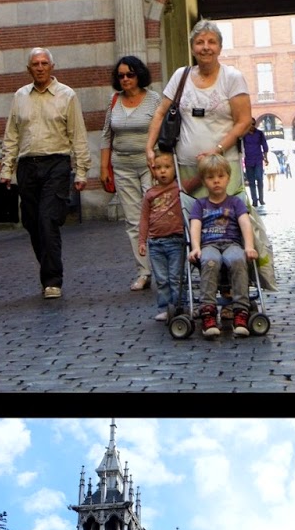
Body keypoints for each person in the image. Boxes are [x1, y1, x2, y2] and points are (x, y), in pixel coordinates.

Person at [0, 47, 89, 299]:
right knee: (31, 222)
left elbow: (78, 136)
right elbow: (12, 135)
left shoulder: (67, 95)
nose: (40, 67)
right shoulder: (19, 96)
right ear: (29, 69)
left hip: (57, 164)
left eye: (44, 63)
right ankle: (48, 266)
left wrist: (81, 172)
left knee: (48, 220)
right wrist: (6, 169)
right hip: (27, 167)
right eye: (35, 64)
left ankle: (52, 279)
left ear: (52, 67)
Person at [144, 19, 254, 200]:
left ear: (220, 47)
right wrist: (149, 147)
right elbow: (160, 113)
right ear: (192, 47)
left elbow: (244, 121)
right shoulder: (181, 76)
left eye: (212, 42)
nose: (206, 47)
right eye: (199, 42)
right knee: (191, 221)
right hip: (186, 167)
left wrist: (217, 150)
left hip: (222, 169)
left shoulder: (232, 77)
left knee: (224, 223)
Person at [99, 54, 159, 290]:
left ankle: (163, 267)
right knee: (134, 221)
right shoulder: (114, 100)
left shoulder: (154, 100)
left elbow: (162, 132)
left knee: (155, 217)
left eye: (130, 74)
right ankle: (144, 271)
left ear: (139, 75)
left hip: (149, 166)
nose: (125, 79)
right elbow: (106, 134)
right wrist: (104, 167)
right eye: (121, 75)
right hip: (122, 166)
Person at [188, 155, 258, 339]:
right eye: (211, 178)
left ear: (228, 177)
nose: (216, 181)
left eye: (220, 176)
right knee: (210, 261)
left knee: (237, 260)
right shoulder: (200, 204)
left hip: (231, 243)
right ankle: (208, 311)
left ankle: (241, 311)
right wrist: (195, 247)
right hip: (208, 244)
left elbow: (245, 224)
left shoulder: (235, 202)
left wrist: (249, 246)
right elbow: (195, 225)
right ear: (204, 181)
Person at [137, 150, 187, 323]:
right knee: (162, 278)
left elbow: (197, 181)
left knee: (176, 277)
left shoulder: (179, 188)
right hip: (156, 243)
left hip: (176, 240)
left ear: (175, 168)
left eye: (167, 167)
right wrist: (142, 240)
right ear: (152, 170)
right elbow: (144, 219)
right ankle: (164, 307)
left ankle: (180, 306)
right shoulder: (150, 194)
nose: (163, 171)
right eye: (158, 168)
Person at [241, 117, 269, 211]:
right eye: (250, 124)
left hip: (258, 159)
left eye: (253, 124)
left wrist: (266, 158)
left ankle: (261, 199)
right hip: (248, 160)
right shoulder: (244, 135)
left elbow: (264, 146)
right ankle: (254, 200)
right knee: (251, 181)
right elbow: (240, 147)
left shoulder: (260, 133)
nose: (252, 126)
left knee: (259, 178)